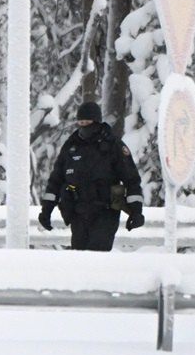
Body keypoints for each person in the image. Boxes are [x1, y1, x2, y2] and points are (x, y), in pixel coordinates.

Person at [39, 100, 145, 251]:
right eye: (81, 123)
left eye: (88, 122)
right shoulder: (71, 146)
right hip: (78, 212)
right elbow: (56, 180)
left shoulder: (113, 145)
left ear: (97, 122)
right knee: (79, 257)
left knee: (97, 255)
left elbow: (131, 179)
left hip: (105, 212)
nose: (84, 127)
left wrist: (136, 211)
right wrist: (46, 210)